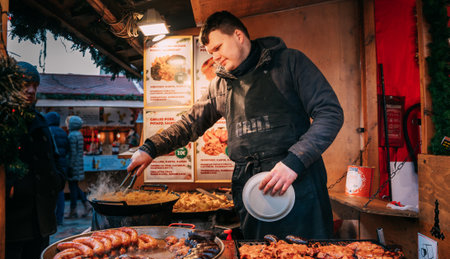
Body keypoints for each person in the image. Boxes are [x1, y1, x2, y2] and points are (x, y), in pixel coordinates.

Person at [128, 11, 344, 239]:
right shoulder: (220, 85)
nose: (215, 57)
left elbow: (330, 113)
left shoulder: (290, 62)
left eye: (218, 47)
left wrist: (294, 162)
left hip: (298, 182)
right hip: (252, 188)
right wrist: (150, 149)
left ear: (239, 36)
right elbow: (188, 124)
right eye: (211, 52)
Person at [5, 62, 65, 259]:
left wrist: (59, 178)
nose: (31, 90)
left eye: (34, 85)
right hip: (14, 219)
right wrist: (11, 189)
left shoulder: (39, 119)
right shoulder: (5, 120)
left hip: (40, 218)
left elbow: (54, 156)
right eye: (24, 84)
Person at [45, 111, 70, 225]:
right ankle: (59, 218)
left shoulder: (47, 131)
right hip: (62, 166)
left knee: (49, 192)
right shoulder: (63, 132)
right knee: (60, 192)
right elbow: (68, 149)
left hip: (51, 166)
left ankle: (50, 218)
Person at [66, 115, 90, 218]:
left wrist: (70, 166)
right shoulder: (79, 134)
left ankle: (74, 210)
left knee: (73, 188)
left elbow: (72, 153)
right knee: (75, 186)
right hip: (78, 164)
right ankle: (86, 205)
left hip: (74, 165)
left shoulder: (72, 135)